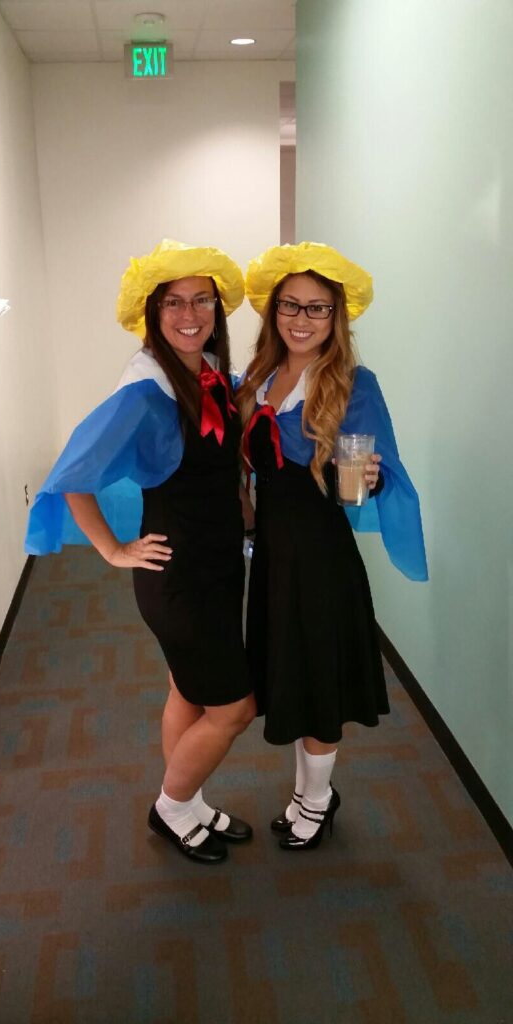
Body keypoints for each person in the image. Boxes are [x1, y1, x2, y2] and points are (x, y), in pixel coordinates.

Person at [25, 239, 256, 864]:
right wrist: (111, 549)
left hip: (215, 566)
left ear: (216, 307)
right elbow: (70, 474)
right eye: (174, 302)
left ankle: (192, 801)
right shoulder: (147, 390)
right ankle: (173, 807)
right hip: (177, 576)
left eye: (201, 300)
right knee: (235, 708)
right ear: (153, 312)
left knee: (187, 690)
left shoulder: (206, 371)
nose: (190, 313)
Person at [237, 241, 427, 851]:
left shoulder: (353, 384)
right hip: (272, 557)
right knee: (291, 676)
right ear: (274, 311)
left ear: (336, 317)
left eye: (317, 309)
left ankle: (315, 801)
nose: (301, 318)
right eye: (290, 305)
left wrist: (362, 478)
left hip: (320, 561)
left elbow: (349, 493)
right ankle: (305, 792)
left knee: (317, 681)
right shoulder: (260, 376)